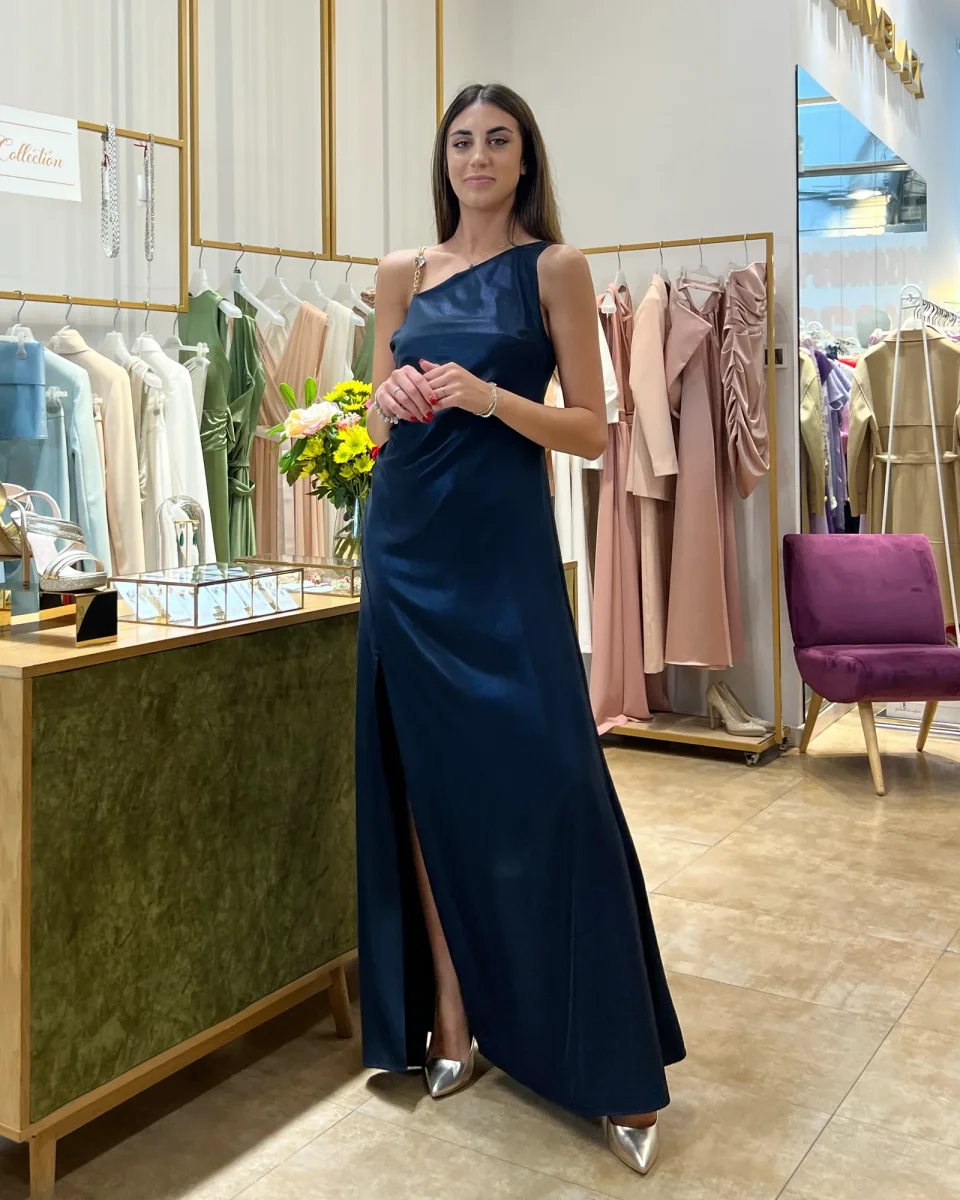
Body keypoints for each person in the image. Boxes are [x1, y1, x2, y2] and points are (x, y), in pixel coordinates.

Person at [356, 81, 684, 1177]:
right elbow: (373, 418)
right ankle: (453, 1021)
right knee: (428, 785)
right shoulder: (400, 272)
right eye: (462, 141)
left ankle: (615, 1059)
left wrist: (489, 396)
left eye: (498, 140)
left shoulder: (556, 269)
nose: (478, 158)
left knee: (561, 784)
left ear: (525, 157)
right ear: (443, 158)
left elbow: (592, 430)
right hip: (408, 546)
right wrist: (387, 404)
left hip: (501, 555)